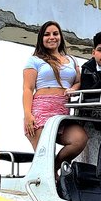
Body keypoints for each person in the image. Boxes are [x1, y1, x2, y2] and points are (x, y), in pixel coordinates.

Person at [23, 20, 87, 175]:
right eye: (47, 34)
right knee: (43, 157)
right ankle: (47, 178)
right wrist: (28, 115)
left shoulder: (72, 60)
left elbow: (78, 81)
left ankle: (55, 167)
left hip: (62, 112)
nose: (51, 37)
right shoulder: (35, 60)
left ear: (60, 37)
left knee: (80, 139)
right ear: (41, 39)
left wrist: (73, 88)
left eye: (55, 33)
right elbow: (27, 88)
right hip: (41, 111)